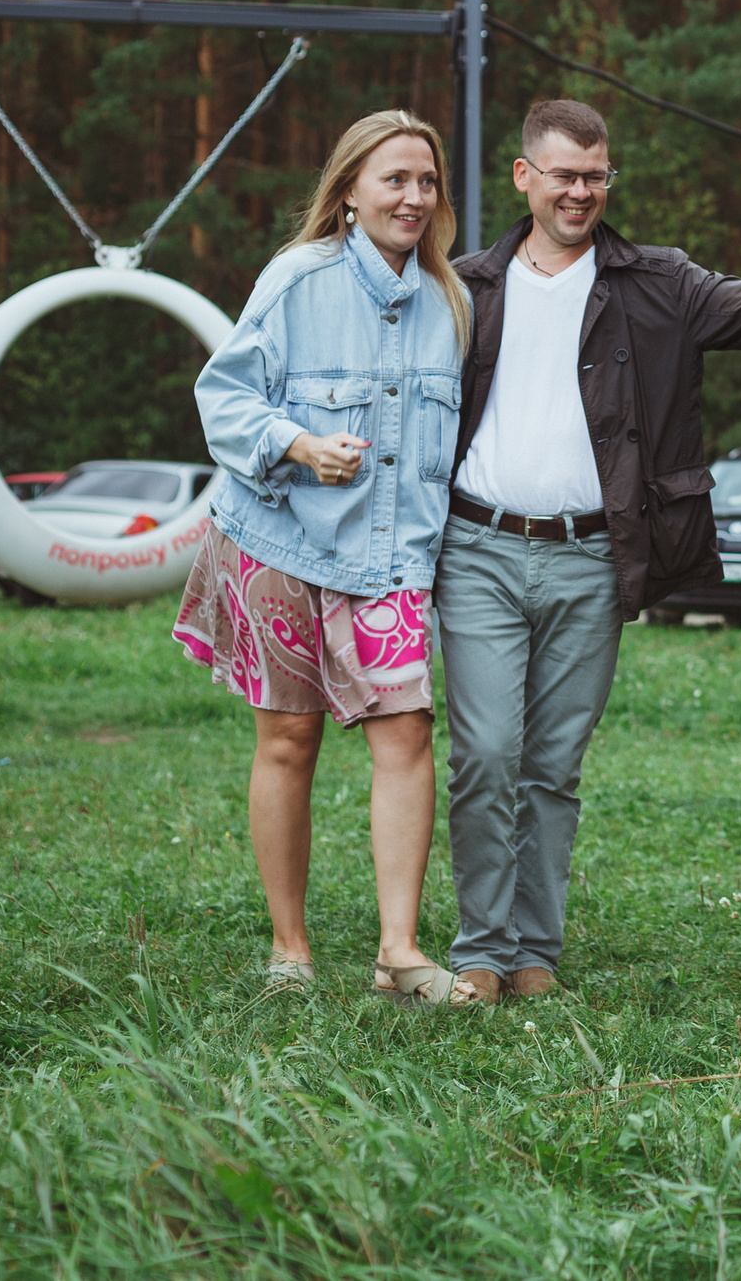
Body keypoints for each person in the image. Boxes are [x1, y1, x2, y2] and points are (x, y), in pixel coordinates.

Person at [437, 98, 741, 1004]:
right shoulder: (463, 286)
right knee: (485, 754)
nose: (581, 191)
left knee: (551, 765)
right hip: (478, 551)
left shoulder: (659, 282)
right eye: (564, 175)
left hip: (593, 557)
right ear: (524, 177)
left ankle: (533, 950)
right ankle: (479, 949)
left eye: (596, 175)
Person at [176, 110, 478, 1005]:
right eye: (395, 180)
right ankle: (290, 947)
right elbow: (222, 397)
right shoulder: (295, 279)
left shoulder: (450, 299)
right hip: (281, 543)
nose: (415, 197)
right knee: (289, 739)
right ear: (349, 191)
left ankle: (397, 951)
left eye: (427, 182)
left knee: (408, 735)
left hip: (391, 562)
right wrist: (299, 442)